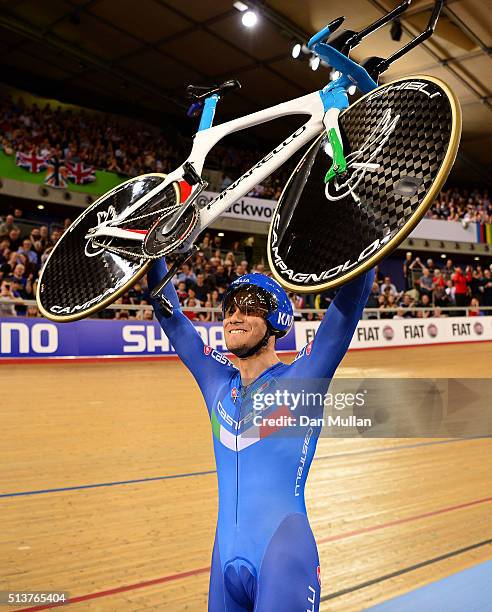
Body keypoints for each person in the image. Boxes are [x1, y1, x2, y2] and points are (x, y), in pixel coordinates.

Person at [148, 257, 374, 612]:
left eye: (249, 308)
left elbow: (349, 305)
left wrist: (365, 239)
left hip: (283, 555)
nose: (234, 317)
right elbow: (172, 318)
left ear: (276, 321)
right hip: (224, 561)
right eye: (229, 309)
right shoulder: (217, 380)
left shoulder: (303, 378)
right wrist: (153, 255)